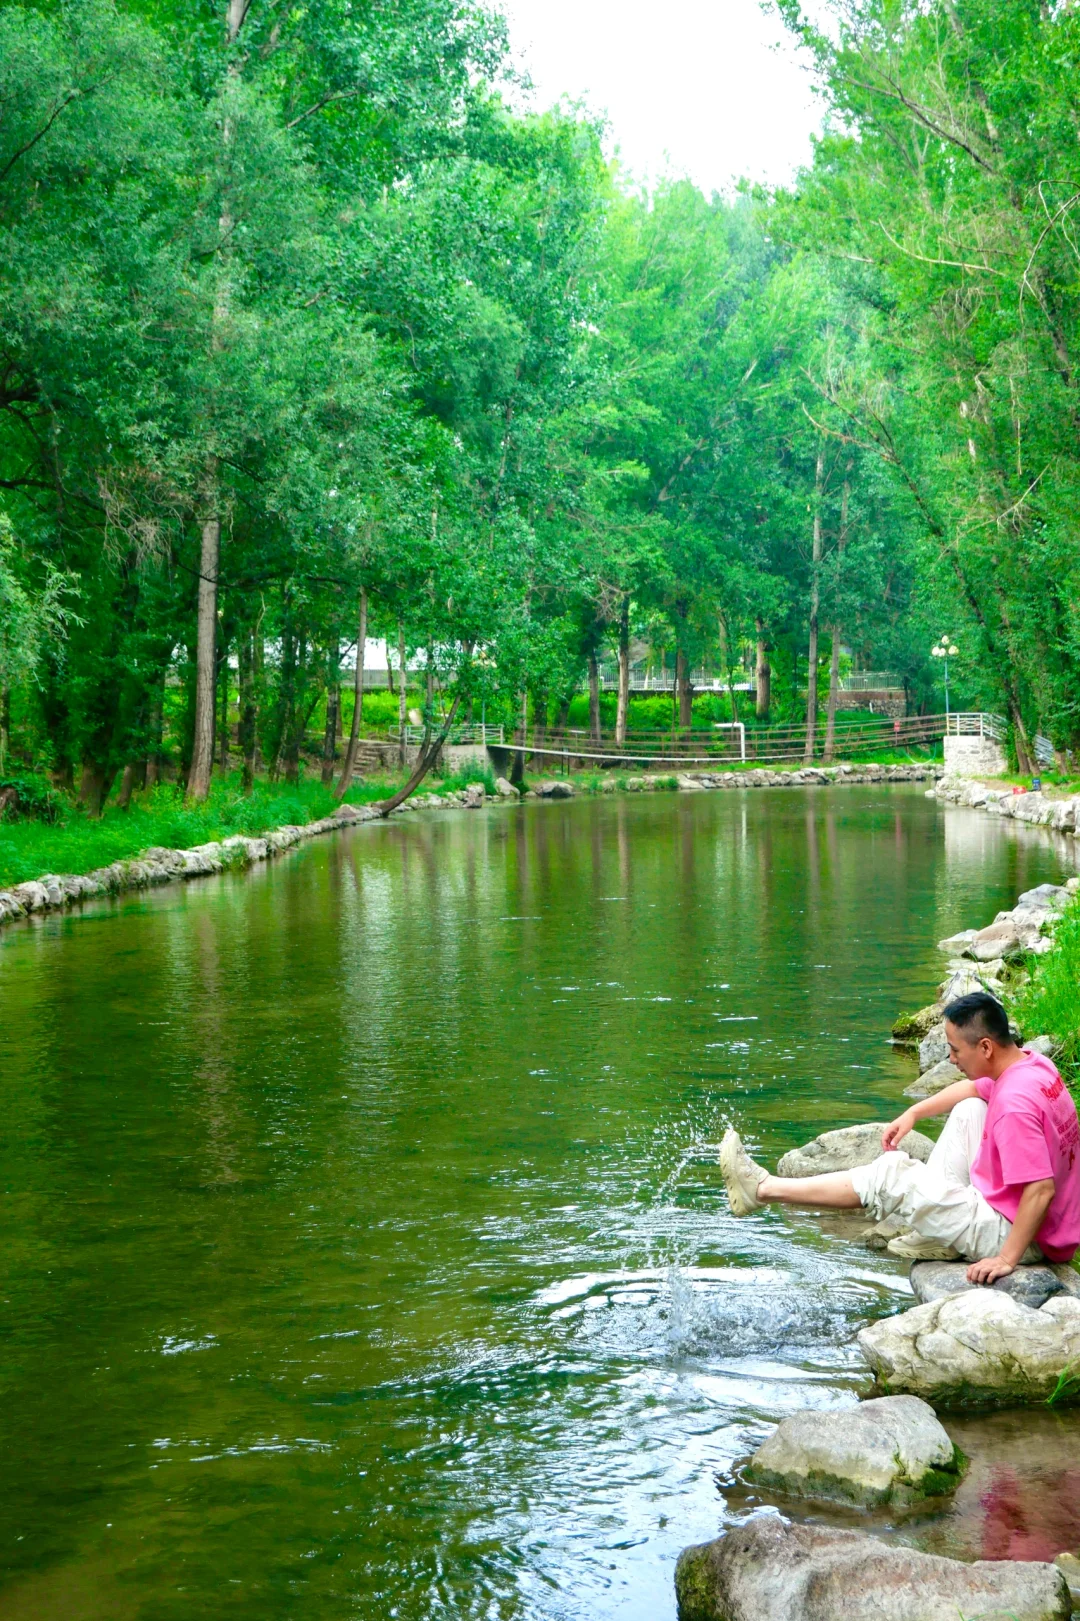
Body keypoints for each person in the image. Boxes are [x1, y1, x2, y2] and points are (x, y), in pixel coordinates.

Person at [720, 992, 1080, 1283]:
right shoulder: (1030, 1065)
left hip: (1023, 1233)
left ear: (985, 1047)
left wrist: (1006, 1258)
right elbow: (975, 1087)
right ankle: (939, 1233)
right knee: (970, 1110)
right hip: (1039, 1219)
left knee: (891, 1176)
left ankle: (763, 1190)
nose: (951, 1059)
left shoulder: (1015, 1105)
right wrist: (913, 1113)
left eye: (955, 1050)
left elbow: (1041, 1189)